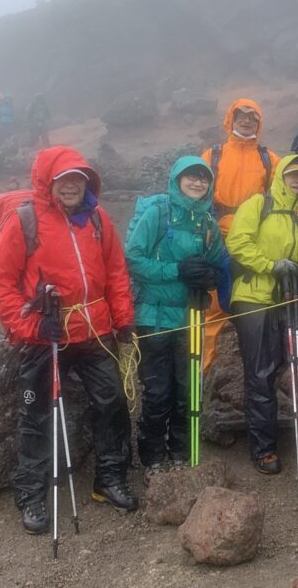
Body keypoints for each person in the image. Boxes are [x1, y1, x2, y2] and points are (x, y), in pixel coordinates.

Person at [0, 146, 138, 534]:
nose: (71, 186)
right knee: (37, 416)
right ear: (47, 182)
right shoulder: (24, 222)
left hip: (93, 332)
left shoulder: (98, 220)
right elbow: (1, 284)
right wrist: (32, 328)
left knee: (113, 402)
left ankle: (109, 479)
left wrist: (123, 321)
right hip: (45, 334)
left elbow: (116, 273)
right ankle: (31, 495)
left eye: (78, 178)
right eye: (63, 179)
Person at [225, 154, 298, 475]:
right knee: (261, 374)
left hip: (292, 299)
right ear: (281, 176)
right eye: (293, 174)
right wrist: (270, 265)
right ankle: (264, 448)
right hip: (255, 299)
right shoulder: (258, 205)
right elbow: (237, 242)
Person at [125, 157, 226, 473]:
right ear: (177, 180)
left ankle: (181, 453)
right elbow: (133, 258)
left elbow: (216, 260)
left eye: (203, 178)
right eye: (191, 177)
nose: (197, 183)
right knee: (158, 393)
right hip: (154, 318)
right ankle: (153, 457)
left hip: (191, 317)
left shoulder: (207, 223)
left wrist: (209, 277)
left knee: (188, 389)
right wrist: (177, 271)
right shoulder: (158, 213)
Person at [199, 99, 295, 372]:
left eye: (253, 117)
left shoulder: (269, 158)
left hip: (255, 238)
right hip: (218, 236)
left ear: (259, 123)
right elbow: (196, 193)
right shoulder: (213, 155)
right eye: (241, 115)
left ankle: (263, 372)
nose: (247, 120)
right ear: (231, 118)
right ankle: (202, 373)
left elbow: (288, 186)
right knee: (213, 308)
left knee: (257, 301)